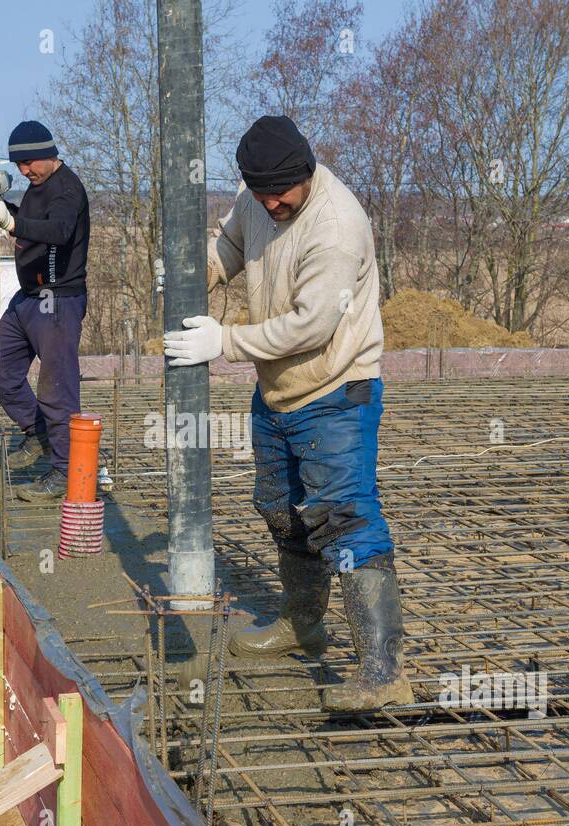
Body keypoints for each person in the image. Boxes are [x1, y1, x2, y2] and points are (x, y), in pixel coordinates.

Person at [164, 115, 411, 712]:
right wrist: (191, 272)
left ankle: (384, 672)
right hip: (278, 391)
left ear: (306, 171)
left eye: (282, 192)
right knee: (279, 507)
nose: (272, 203)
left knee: (345, 519)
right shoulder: (257, 202)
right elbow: (229, 245)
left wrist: (226, 341)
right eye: (261, 192)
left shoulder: (335, 225)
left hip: (335, 391)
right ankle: (303, 623)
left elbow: (312, 324)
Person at [0, 120, 91, 502]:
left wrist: (12, 220)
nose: (25, 171)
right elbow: (31, 226)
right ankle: (39, 433)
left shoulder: (68, 190)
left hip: (57, 299)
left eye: (29, 163)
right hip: (28, 297)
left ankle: (65, 471)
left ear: (49, 153)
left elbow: (57, 230)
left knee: (57, 389)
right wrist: (0, 205)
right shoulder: (37, 188)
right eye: (20, 165)